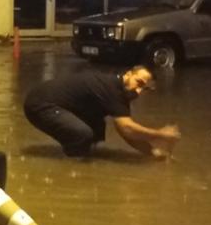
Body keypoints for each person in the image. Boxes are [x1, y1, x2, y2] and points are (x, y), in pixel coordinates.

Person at [23, 66, 180, 159]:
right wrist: (161, 135)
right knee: (83, 134)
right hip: (39, 105)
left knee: (97, 129)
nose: (138, 91)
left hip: (51, 102)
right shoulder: (112, 89)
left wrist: (152, 153)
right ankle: (73, 167)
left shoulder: (119, 91)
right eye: (138, 83)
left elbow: (126, 132)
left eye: (144, 89)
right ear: (128, 74)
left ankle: (82, 155)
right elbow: (128, 128)